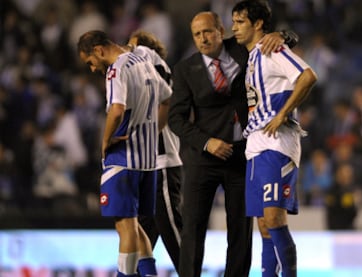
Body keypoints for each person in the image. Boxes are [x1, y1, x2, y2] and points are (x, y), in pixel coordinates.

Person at [168, 10, 298, 277]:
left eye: (207, 32)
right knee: (192, 229)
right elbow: (175, 119)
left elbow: (287, 44)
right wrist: (206, 142)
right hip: (202, 159)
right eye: (196, 34)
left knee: (240, 231)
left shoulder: (243, 50)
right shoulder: (184, 70)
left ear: (221, 31)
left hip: (241, 156)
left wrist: (281, 35)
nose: (202, 39)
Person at [231, 1, 317, 276]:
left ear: (257, 24)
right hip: (255, 144)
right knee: (264, 225)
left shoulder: (271, 49)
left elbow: (307, 76)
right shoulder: (253, 56)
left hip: (277, 141)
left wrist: (282, 113)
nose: (234, 27)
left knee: (273, 218)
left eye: (240, 21)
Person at [77, 30, 172, 277]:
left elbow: (117, 109)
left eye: (90, 62)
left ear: (98, 50)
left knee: (124, 225)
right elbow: (167, 97)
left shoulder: (116, 69)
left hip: (124, 158)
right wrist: (155, 129)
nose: (92, 68)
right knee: (134, 224)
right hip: (148, 161)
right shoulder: (143, 62)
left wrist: (105, 140)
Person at [127, 30, 182, 274]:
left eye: (131, 45)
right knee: (143, 233)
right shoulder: (147, 77)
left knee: (173, 230)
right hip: (149, 166)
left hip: (162, 163)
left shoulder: (146, 58)